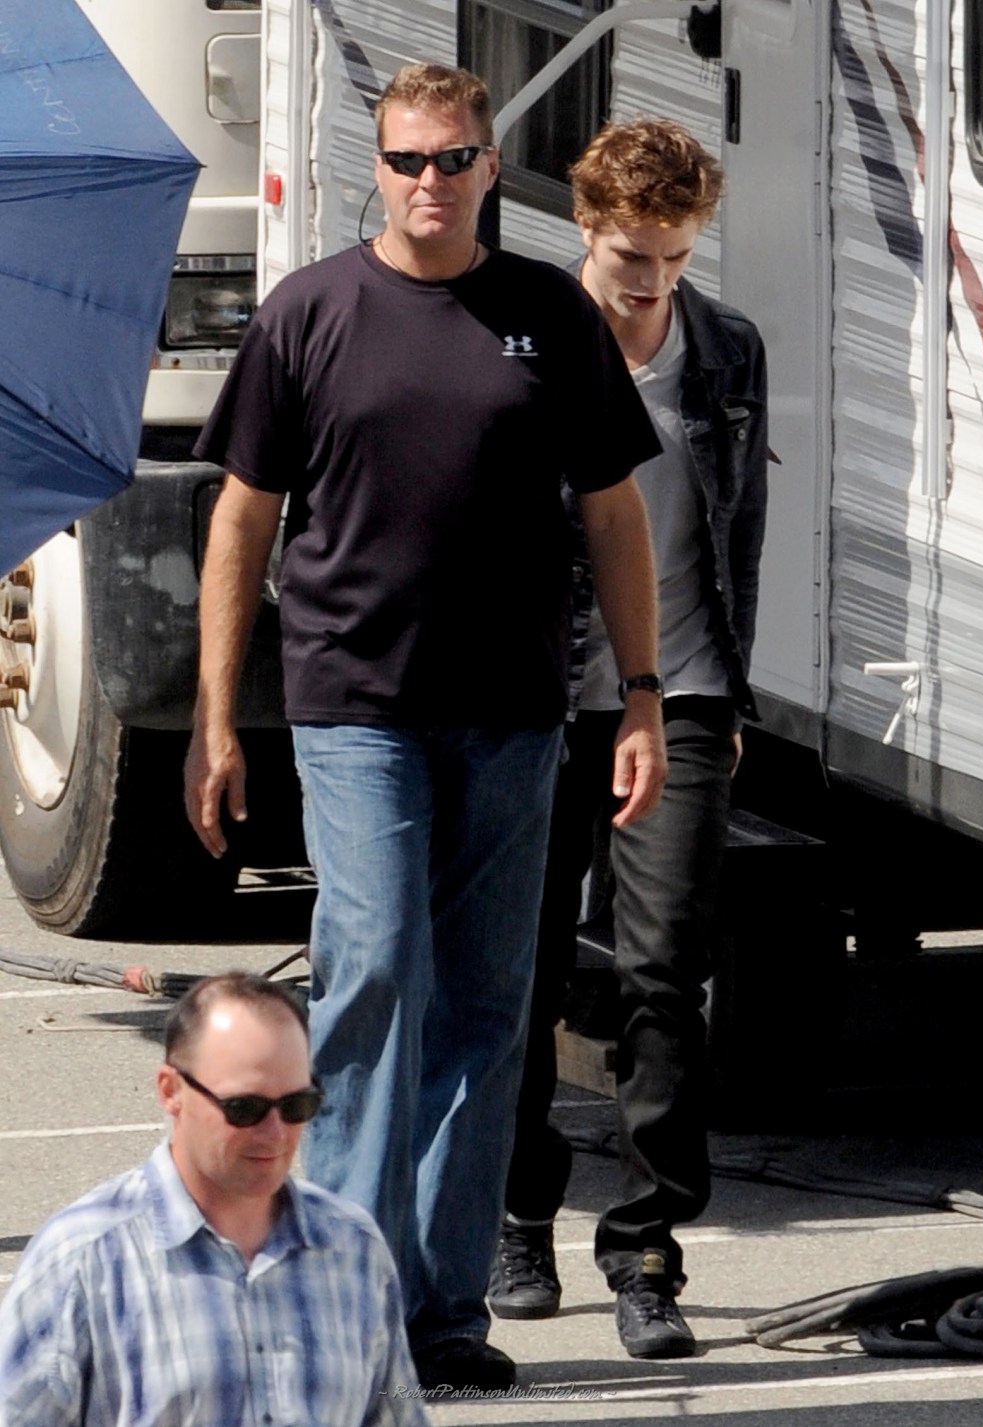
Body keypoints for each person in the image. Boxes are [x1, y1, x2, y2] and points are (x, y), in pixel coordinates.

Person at [183, 63, 667, 1391]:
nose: (430, 182)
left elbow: (614, 512)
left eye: (454, 159)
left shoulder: (547, 316)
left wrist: (640, 690)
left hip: (513, 710)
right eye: (408, 160)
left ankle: (444, 1311)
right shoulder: (310, 312)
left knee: (485, 1006)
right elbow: (242, 520)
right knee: (378, 965)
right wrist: (216, 716)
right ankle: (342, 1299)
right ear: (377, 166)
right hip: (356, 706)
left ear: (491, 168)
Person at [488, 116, 770, 1360]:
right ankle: (517, 1213)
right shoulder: (529, 339)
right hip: (546, 692)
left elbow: (736, 523)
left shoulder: (725, 347)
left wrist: (728, 697)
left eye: (673, 254)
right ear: (582, 228)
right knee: (525, 966)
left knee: (666, 973)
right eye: (627, 256)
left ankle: (647, 1246)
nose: (650, 280)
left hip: (685, 691)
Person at [0, 973, 427, 1427]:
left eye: (297, 1106)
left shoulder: (354, 1249)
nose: (275, 1133)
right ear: (171, 1091)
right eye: (245, 1109)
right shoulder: (84, 1260)